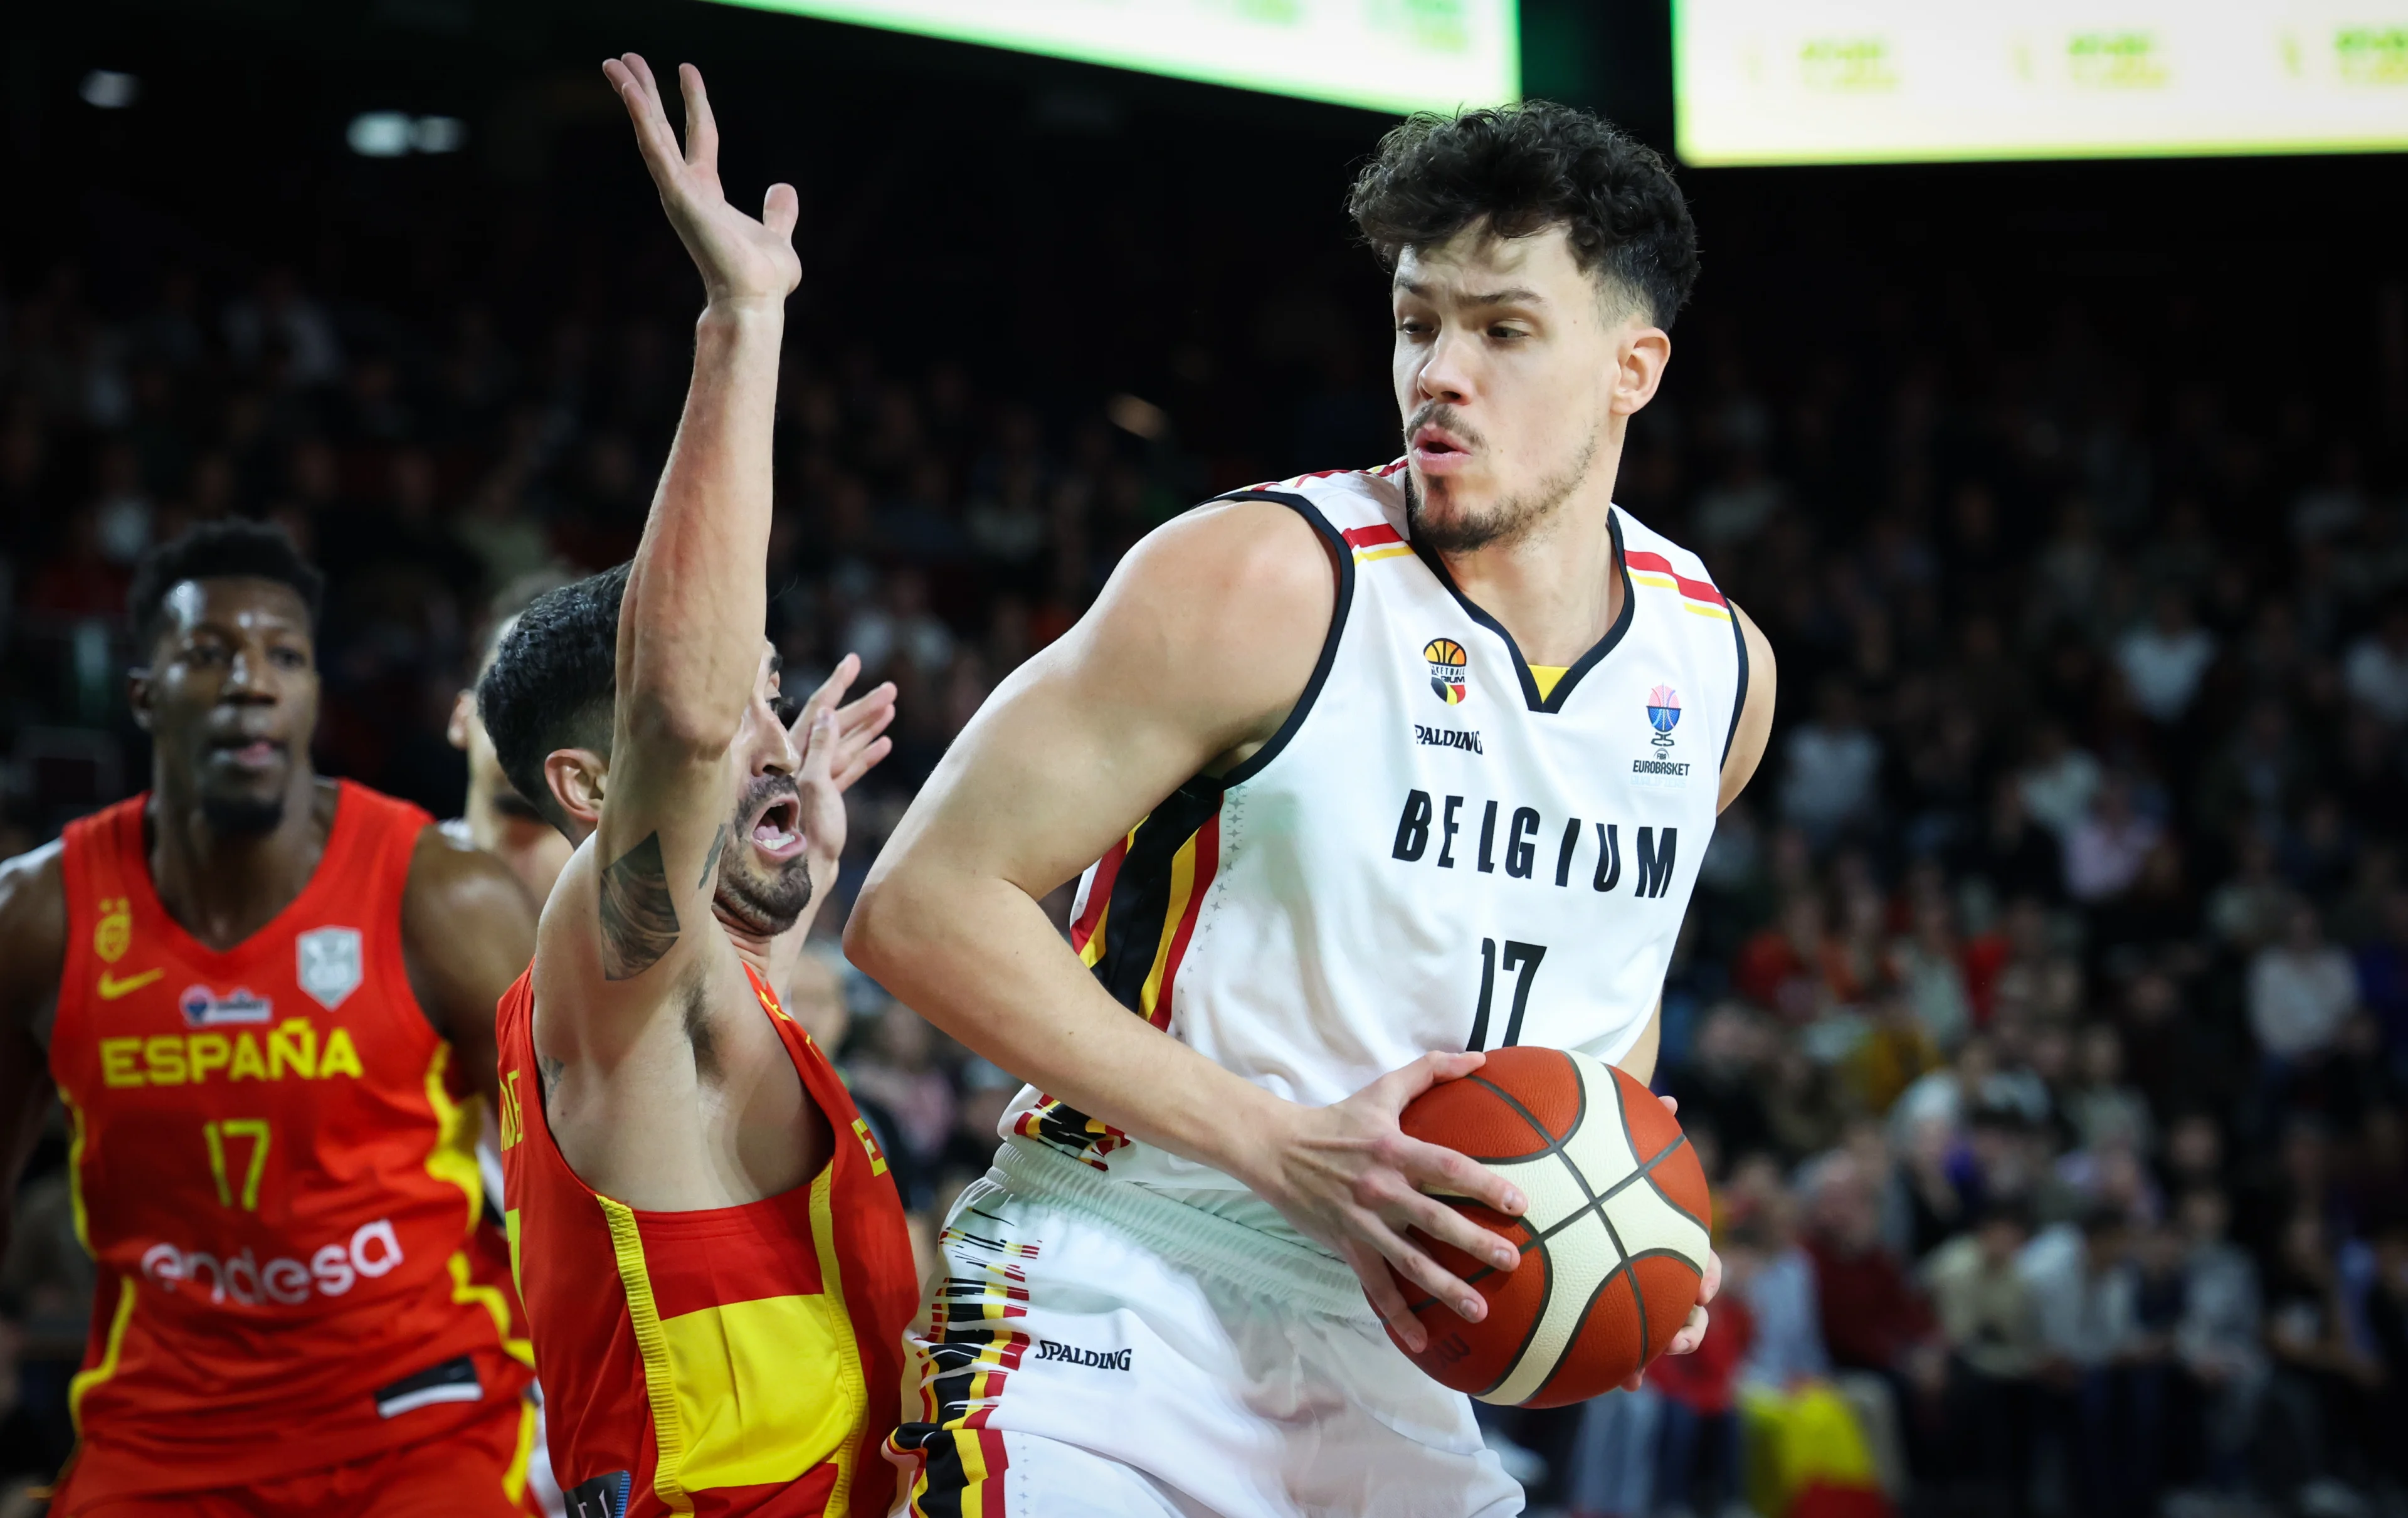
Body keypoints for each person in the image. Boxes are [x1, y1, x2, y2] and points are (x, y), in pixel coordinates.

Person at [849, 101, 1777, 1515]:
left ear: (1630, 369)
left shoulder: (1716, 669)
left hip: (1399, 1353)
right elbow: (921, 904)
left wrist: (1618, 1220)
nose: (1439, 375)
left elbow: (1605, 1007)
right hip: (1124, 1292)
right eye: (1418, 322)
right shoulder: (1260, 578)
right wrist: (1280, 1145)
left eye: (1504, 332)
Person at [475, 55, 914, 1518]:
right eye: (747, 696)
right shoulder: (601, 973)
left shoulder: (698, 993)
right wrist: (743, 323)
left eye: (774, 685)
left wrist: (797, 874)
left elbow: (721, 1038)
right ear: (588, 785)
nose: (768, 722)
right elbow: (679, 702)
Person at [0, 521, 542, 1514]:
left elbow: (572, 1195)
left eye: (282, 655)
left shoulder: (443, 897)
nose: (251, 678)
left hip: (419, 1417)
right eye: (210, 654)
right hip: (163, 1431)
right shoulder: (38, 917)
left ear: (310, 698)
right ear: (143, 692)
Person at [446, 572, 578, 905]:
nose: (537, 726)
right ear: (462, 718)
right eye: (513, 690)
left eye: (570, 702)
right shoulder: (392, 880)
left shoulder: (644, 921)